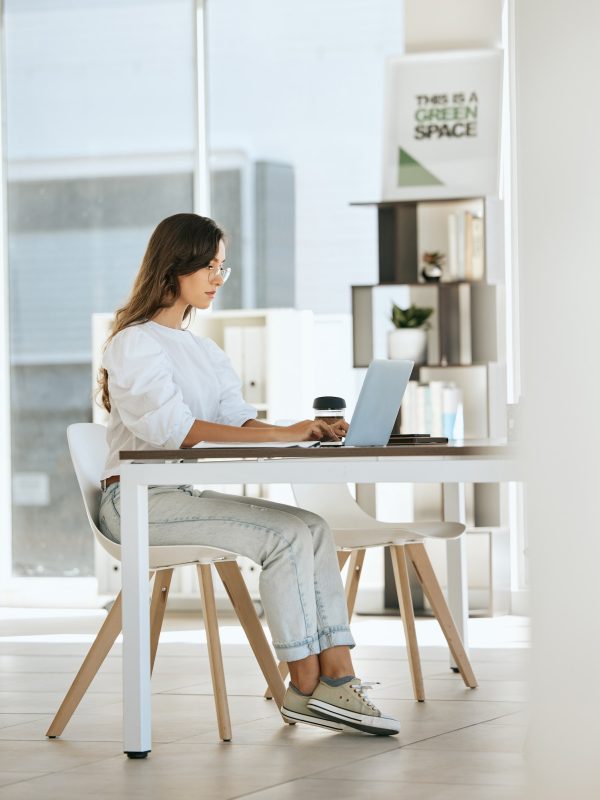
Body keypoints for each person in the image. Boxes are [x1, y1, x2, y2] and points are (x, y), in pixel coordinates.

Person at [97, 212, 400, 736]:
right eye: (210, 266)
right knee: (284, 536)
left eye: (222, 267)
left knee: (313, 526)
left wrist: (302, 429)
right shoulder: (134, 343)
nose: (218, 277)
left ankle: (338, 678)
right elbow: (179, 430)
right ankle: (304, 688)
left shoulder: (203, 348)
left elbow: (236, 419)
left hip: (177, 496)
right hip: (136, 504)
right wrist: (287, 435)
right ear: (176, 267)